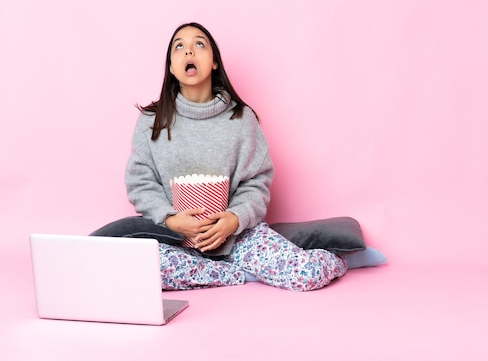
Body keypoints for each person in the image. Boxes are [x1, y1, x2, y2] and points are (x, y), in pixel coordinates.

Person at [98, 22, 348, 291]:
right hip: (176, 241)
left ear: (214, 62)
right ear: (171, 67)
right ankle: (240, 274)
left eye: (199, 44)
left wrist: (234, 219)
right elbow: (140, 183)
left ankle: (344, 260)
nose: (188, 51)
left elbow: (256, 183)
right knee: (135, 271)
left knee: (306, 275)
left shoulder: (241, 119)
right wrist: (170, 220)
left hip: (238, 237)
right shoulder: (151, 122)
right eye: (179, 46)